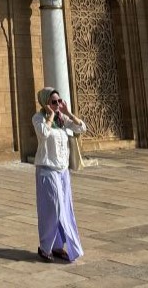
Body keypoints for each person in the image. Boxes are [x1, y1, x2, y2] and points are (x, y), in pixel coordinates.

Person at [32, 87, 87, 263]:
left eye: (59, 101)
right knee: (52, 209)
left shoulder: (62, 119)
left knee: (65, 209)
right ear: (45, 103)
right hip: (47, 170)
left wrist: (68, 113)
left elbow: (82, 128)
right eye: (53, 102)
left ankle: (58, 247)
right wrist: (50, 116)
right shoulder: (39, 118)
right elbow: (43, 133)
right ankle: (44, 247)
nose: (57, 105)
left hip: (62, 171)